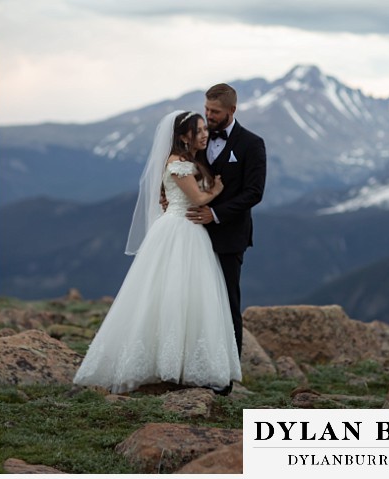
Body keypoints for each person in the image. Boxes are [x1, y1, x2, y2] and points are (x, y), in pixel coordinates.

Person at [73, 110, 241, 394]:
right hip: (180, 231)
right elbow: (198, 198)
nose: (204, 134)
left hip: (186, 230)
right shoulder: (179, 164)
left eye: (204, 129)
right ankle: (166, 362)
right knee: (174, 292)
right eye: (198, 130)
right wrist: (217, 190)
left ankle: (179, 362)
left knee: (183, 294)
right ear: (184, 136)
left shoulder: (186, 162)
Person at [186, 83, 266, 369]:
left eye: (215, 111)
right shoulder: (197, 139)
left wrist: (215, 214)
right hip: (192, 234)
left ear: (232, 110)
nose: (208, 115)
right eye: (206, 109)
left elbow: (254, 192)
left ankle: (228, 373)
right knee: (194, 301)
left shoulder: (252, 144)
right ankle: (196, 364)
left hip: (229, 237)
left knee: (227, 303)